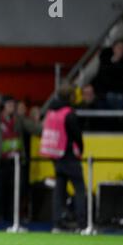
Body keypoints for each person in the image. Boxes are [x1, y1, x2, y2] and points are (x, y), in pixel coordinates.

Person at [0, 95, 41, 222]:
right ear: (3, 107)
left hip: (16, 162)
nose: (12, 108)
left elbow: (35, 129)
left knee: (15, 192)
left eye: (13, 105)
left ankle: (12, 219)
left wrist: (46, 122)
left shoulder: (18, 119)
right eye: (10, 105)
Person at [40, 84, 87, 233]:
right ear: (71, 96)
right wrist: (81, 150)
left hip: (55, 156)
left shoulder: (51, 111)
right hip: (69, 156)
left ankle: (57, 224)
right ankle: (82, 224)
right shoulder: (69, 113)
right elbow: (77, 136)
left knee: (59, 191)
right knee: (80, 190)